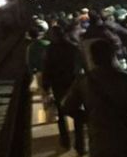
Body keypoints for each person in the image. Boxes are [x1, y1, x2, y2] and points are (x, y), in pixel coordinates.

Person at [62, 39, 127, 157]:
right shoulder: (124, 79)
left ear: (93, 58)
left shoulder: (84, 81)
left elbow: (67, 107)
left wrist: (88, 118)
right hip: (125, 137)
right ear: (111, 55)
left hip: (99, 139)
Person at [42, 26, 86, 155]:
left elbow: (46, 69)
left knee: (61, 114)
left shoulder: (49, 50)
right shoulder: (73, 47)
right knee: (77, 113)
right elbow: (80, 65)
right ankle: (80, 144)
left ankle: (65, 140)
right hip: (74, 84)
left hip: (58, 85)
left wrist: (45, 86)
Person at [26, 27, 50, 92]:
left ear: (30, 36)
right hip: (51, 69)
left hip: (40, 71)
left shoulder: (30, 47)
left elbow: (29, 63)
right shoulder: (47, 43)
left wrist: (32, 76)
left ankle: (46, 98)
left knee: (43, 89)